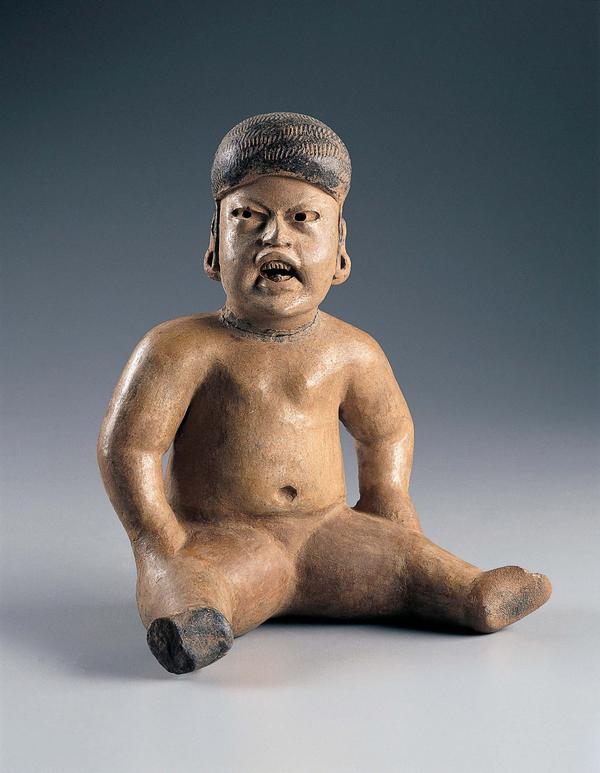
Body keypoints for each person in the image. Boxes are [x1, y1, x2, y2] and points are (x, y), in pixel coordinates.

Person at [98, 112, 551, 675]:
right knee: (192, 580)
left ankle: (473, 595)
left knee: (410, 561)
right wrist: (157, 538)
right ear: (214, 246)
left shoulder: (352, 351)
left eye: (304, 218)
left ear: (339, 252)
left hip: (330, 533)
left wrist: (386, 495)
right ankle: (193, 618)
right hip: (223, 538)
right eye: (247, 216)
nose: (275, 237)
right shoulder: (179, 348)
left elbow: (386, 432)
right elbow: (129, 448)